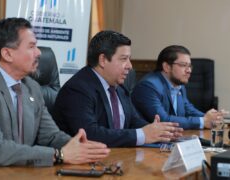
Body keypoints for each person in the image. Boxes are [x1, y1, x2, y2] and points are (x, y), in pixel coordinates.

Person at [0, 18, 110, 173]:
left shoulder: (31, 87)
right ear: (7, 54)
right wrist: (59, 155)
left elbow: (51, 136)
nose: (38, 52)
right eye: (31, 46)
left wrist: (80, 148)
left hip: (16, 172)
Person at [53, 30, 183, 147]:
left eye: (129, 59)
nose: (130, 66)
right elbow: (90, 134)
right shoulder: (78, 89)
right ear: (103, 60)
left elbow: (132, 120)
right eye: (123, 59)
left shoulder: (119, 88)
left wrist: (160, 131)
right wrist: (143, 135)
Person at [131, 45, 225, 130]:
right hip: (144, 145)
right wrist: (203, 121)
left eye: (189, 66)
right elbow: (164, 120)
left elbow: (188, 110)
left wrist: (213, 117)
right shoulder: (148, 86)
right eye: (183, 65)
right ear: (167, 67)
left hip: (171, 139)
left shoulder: (178, 85)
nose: (189, 70)